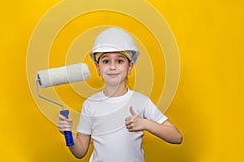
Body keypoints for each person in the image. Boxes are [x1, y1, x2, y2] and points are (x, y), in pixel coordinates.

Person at [58, 27, 183, 162]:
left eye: (119, 61)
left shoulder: (141, 101)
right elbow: (80, 151)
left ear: (130, 67)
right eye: (106, 61)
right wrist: (68, 134)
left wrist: (146, 124)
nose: (113, 66)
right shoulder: (90, 105)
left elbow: (177, 137)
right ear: (98, 67)